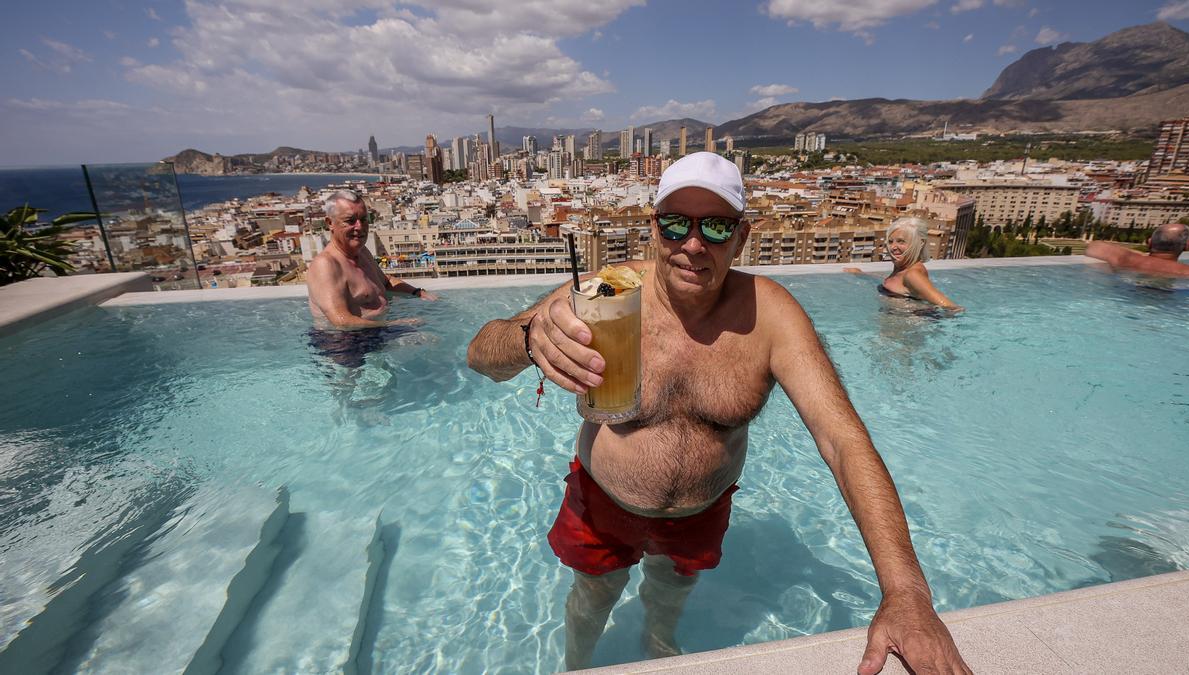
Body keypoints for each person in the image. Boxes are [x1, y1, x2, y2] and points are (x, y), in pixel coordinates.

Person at [467, 153, 970, 674]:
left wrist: (906, 593)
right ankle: (577, 665)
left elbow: (844, 442)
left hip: (699, 514)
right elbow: (481, 356)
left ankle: (658, 641)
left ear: (742, 236)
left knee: (669, 591)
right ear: (654, 229)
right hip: (603, 502)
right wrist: (529, 338)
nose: (692, 244)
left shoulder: (769, 316)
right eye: (675, 224)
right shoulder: (607, 294)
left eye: (715, 226)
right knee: (592, 598)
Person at [306, 189, 437, 367]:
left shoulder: (362, 252)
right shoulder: (326, 265)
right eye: (350, 221)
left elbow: (385, 282)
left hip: (376, 332)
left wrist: (418, 293)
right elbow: (340, 321)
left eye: (364, 219)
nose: (359, 227)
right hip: (344, 345)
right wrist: (395, 324)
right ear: (330, 223)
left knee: (433, 344)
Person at [845, 216, 962, 310]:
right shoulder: (903, 271)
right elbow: (892, 281)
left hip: (904, 328)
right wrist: (861, 274)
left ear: (920, 243)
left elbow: (952, 307)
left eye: (901, 241)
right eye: (890, 242)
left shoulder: (913, 275)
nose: (893, 247)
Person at [1084, 223, 1189, 278]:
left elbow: (1094, 246)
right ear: (1187, 245)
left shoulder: (1126, 260)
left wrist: (1136, 255)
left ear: (1149, 242)